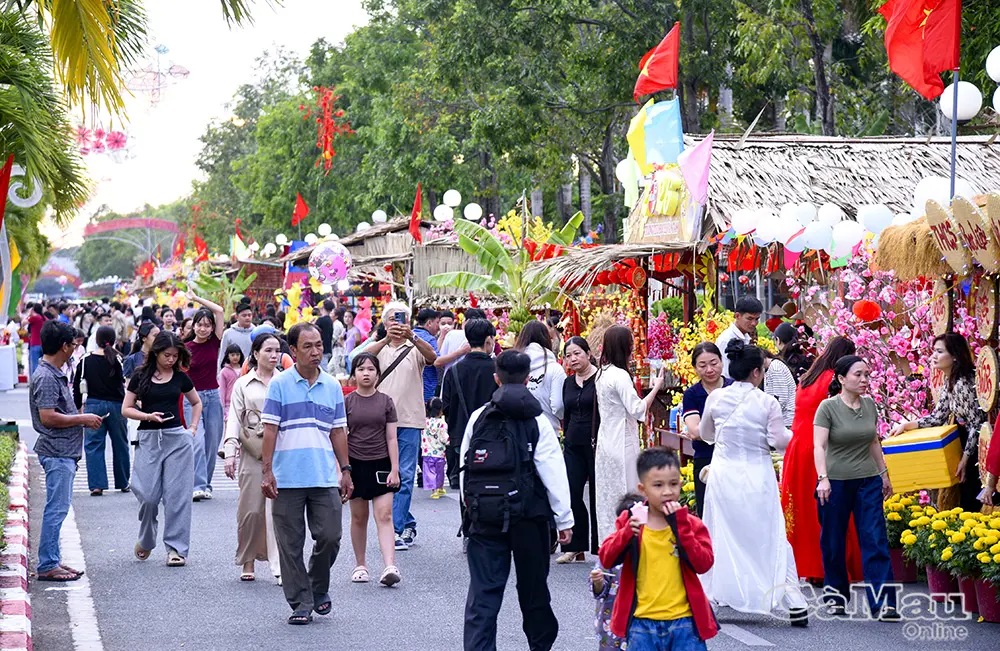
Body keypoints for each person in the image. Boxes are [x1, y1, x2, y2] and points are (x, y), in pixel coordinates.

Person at [460, 350, 573, 651]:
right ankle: (539, 645)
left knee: (483, 594)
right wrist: (564, 520)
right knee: (533, 591)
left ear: (496, 378)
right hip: (529, 518)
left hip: (485, 516)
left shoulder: (479, 417)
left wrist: (469, 511)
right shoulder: (537, 420)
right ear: (527, 380)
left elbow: (465, 469)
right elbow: (552, 471)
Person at [698, 340, 808, 625]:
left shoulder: (716, 398)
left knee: (720, 534)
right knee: (770, 534)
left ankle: (709, 597)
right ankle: (793, 600)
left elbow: (706, 433)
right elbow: (778, 441)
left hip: (723, 475)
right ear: (757, 372)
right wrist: (793, 434)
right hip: (757, 475)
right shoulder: (766, 402)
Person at [261, 323, 352, 625]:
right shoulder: (280, 384)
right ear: (293, 350)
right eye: (308, 347)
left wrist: (346, 469)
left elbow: (338, 430)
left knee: (330, 536)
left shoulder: (333, 386)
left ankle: (316, 586)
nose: (315, 352)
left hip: (324, 475)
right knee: (289, 545)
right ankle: (301, 601)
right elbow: (270, 429)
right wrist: (267, 471)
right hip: (287, 477)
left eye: (319, 346)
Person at [598, 448, 718, 650]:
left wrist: (681, 528)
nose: (667, 491)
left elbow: (704, 563)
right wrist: (626, 534)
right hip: (641, 623)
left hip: (685, 622)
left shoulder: (690, 523)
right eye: (658, 485)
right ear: (643, 489)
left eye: (673, 484)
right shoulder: (631, 521)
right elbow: (607, 558)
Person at [815, 355, 898, 620]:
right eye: (858, 375)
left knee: (875, 538)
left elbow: (873, 441)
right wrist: (822, 478)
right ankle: (836, 597)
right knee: (833, 540)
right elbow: (819, 445)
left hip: (867, 480)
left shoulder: (870, 405)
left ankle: (883, 603)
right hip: (835, 482)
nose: (864, 380)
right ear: (841, 379)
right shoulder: (827, 408)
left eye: (866, 375)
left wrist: (884, 474)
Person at [780, 336, 863, 583]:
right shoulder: (834, 381)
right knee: (831, 510)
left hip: (797, 448)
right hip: (821, 448)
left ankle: (810, 568)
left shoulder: (808, 377)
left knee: (805, 511)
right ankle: (828, 568)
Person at [358, 302, 437, 551]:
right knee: (384, 476)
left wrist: (411, 335)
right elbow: (361, 360)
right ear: (384, 322)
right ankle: (405, 520)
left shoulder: (414, 347)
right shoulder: (377, 349)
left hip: (410, 420)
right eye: (392, 318)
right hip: (380, 421)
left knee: (402, 474)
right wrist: (384, 338)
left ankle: (396, 529)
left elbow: (432, 358)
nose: (396, 323)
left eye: (400, 318)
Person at [122, 331, 202, 567]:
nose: (171, 360)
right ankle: (146, 539)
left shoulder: (180, 377)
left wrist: (193, 429)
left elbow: (196, 402)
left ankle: (176, 549)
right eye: (167, 355)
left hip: (178, 439)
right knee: (147, 496)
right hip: (148, 438)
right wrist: (147, 415)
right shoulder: (140, 376)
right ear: (155, 353)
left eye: (175, 356)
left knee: (178, 498)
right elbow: (126, 408)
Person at [31, 320, 103, 581]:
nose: (74, 349)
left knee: (59, 508)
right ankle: (48, 563)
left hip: (64, 451)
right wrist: (81, 419)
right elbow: (48, 417)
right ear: (63, 346)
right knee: (57, 509)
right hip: (57, 451)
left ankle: (53, 560)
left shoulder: (54, 373)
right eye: (73, 345)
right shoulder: (48, 377)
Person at [889, 333, 985, 511]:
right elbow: (937, 417)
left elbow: (976, 425)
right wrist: (905, 426)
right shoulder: (950, 380)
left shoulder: (963, 383)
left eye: (939, 351)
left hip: (976, 448)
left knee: (971, 500)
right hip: (965, 444)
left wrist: (965, 459)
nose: (933, 356)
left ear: (955, 355)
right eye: (934, 351)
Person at [594, 325, 665, 541]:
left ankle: (609, 541)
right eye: (631, 344)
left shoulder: (601, 373)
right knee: (629, 492)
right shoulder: (620, 375)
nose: (634, 348)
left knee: (608, 497)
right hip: (623, 441)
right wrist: (656, 386)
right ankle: (630, 541)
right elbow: (637, 410)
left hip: (606, 441)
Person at [223, 333, 282, 584]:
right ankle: (248, 560)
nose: (273, 355)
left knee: (279, 510)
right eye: (268, 350)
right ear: (256, 354)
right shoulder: (242, 384)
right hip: (252, 450)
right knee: (250, 510)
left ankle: (280, 564)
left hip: (282, 451)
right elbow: (234, 418)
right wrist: (230, 452)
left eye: (277, 350)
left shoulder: (287, 381)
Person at [344, 352, 401, 587]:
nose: (366, 373)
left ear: (378, 374)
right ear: (354, 374)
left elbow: (391, 438)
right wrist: (343, 470)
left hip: (382, 464)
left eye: (370, 369)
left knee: (385, 515)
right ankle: (361, 565)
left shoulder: (386, 401)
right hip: (355, 464)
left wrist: (395, 469)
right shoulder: (346, 402)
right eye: (361, 369)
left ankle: (389, 565)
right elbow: (340, 437)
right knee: (359, 517)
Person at [440, 319, 498, 493]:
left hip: (460, 438)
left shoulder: (454, 371)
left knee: (465, 489)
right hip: (492, 436)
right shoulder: (497, 368)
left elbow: (446, 405)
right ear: (489, 340)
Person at [72, 326, 130, 495]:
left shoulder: (85, 360)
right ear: (113, 340)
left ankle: (97, 485)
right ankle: (123, 482)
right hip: (117, 406)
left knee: (93, 445)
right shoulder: (118, 359)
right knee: (120, 444)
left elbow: (77, 386)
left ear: (96, 340)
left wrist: (78, 409)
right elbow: (124, 384)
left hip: (93, 405)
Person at [558, 336, 600, 563]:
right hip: (573, 445)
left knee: (597, 495)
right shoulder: (568, 382)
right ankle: (576, 546)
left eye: (577, 353)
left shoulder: (601, 379)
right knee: (571, 492)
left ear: (588, 353)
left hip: (596, 445)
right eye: (568, 355)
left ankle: (600, 545)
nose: (573, 359)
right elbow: (567, 414)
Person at [680, 343, 732, 517]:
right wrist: (729, 431)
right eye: (702, 365)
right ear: (695, 368)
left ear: (722, 362)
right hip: (705, 461)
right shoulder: (692, 394)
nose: (709, 369)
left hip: (733, 459)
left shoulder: (734, 389)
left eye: (714, 363)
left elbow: (701, 431)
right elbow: (695, 432)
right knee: (707, 513)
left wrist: (708, 432)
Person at [184, 293, 226, 502]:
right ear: (193, 326)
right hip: (192, 400)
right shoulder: (185, 348)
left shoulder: (215, 342)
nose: (203, 328)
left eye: (207, 325)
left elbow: (219, 310)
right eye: (199, 325)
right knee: (197, 442)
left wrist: (195, 298)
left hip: (213, 396)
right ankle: (197, 485)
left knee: (211, 445)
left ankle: (205, 484)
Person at [589, 492, 644, 651]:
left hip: (642, 619)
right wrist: (598, 581)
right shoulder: (613, 548)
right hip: (611, 620)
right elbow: (599, 590)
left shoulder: (649, 547)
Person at [515, 319, 565, 433]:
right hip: (548, 432)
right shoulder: (555, 368)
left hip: (519, 432)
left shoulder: (513, 366)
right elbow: (558, 406)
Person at [714, 296, 763, 377]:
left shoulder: (746, 337)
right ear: (737, 316)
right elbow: (725, 375)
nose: (754, 323)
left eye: (757, 319)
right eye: (749, 318)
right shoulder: (726, 339)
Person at [438, 308, 487, 374]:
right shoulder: (486, 337)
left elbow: (438, 362)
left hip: (452, 379)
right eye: (443, 323)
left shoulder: (452, 334)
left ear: (466, 321)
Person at [413, 308, 441, 403]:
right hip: (426, 388)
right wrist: (460, 352)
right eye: (437, 322)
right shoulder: (429, 339)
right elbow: (437, 362)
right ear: (429, 323)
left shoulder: (411, 335)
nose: (439, 327)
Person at [421, 397, 448, 498]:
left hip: (427, 451)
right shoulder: (442, 423)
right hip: (439, 452)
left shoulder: (424, 422)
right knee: (440, 471)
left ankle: (434, 491)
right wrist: (448, 441)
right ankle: (440, 487)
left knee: (430, 471)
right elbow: (444, 437)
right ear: (441, 410)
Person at [763, 352, 796, 429]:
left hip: (787, 419)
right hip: (783, 419)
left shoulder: (775, 368)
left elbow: (781, 398)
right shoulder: (771, 368)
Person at [218, 302, 255, 367]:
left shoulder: (256, 332)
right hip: (233, 371)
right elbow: (222, 354)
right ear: (237, 317)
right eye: (244, 315)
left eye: (249, 315)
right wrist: (219, 373)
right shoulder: (228, 333)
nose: (247, 318)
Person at [219, 343, 244, 429]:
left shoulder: (244, 370)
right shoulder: (224, 372)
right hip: (228, 405)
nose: (235, 357)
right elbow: (222, 390)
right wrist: (222, 408)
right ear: (227, 356)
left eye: (237, 354)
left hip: (243, 403)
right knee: (230, 428)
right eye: (232, 355)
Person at [26, 303, 45, 376]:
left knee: (35, 364)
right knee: (43, 364)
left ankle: (34, 382)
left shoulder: (34, 318)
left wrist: (29, 314)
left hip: (34, 344)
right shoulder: (43, 318)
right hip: (43, 344)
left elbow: (24, 322)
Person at [316, 299, 336, 371]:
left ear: (323, 307)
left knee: (323, 370)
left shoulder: (320, 320)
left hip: (322, 349)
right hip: (328, 348)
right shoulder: (330, 320)